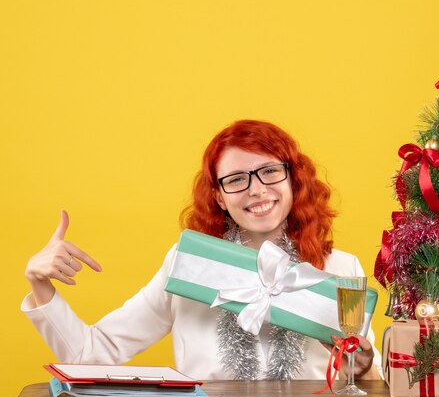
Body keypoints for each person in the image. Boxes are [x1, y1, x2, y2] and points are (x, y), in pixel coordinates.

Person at [22, 119, 381, 381]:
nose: (256, 190)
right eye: (237, 179)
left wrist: (361, 369)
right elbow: (89, 355)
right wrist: (40, 285)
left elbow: (374, 380)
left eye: (270, 172)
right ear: (219, 197)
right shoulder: (188, 266)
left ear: (293, 180)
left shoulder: (342, 268)